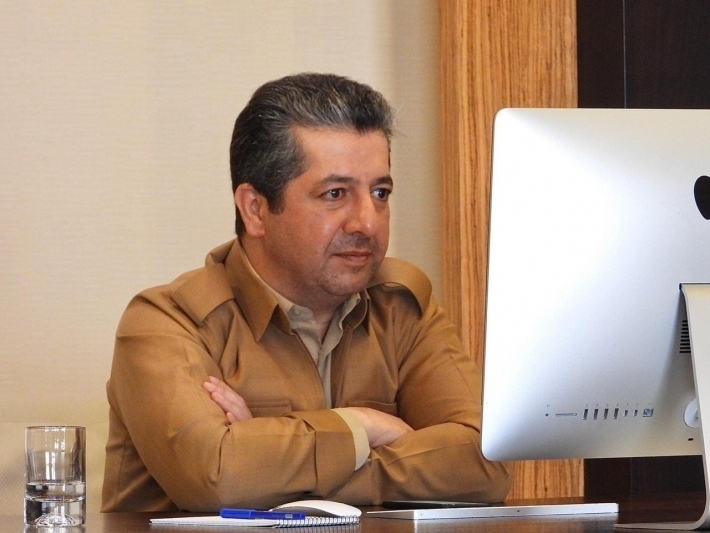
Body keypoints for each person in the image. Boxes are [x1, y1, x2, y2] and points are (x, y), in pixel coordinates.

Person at [101, 72, 511, 512]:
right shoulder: (167, 321)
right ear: (256, 209)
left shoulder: (403, 306)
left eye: (380, 192)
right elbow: (217, 479)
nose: (367, 222)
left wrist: (270, 464)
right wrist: (363, 425)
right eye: (335, 194)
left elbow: (485, 463)